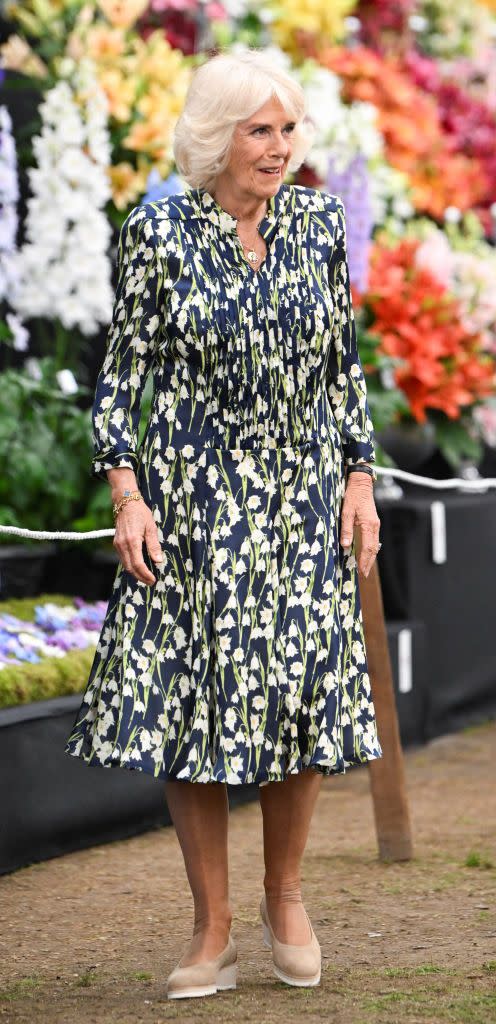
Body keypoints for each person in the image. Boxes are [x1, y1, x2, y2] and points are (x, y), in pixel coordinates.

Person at [64, 47, 383, 996]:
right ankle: (213, 928)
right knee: (195, 704)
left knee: (298, 695)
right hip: (195, 499)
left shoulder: (318, 220)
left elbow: (340, 366)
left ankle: (287, 897)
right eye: (260, 130)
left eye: (288, 129)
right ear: (216, 137)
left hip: (301, 497)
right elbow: (121, 373)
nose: (279, 148)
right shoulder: (160, 230)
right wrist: (128, 492)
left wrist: (358, 479)